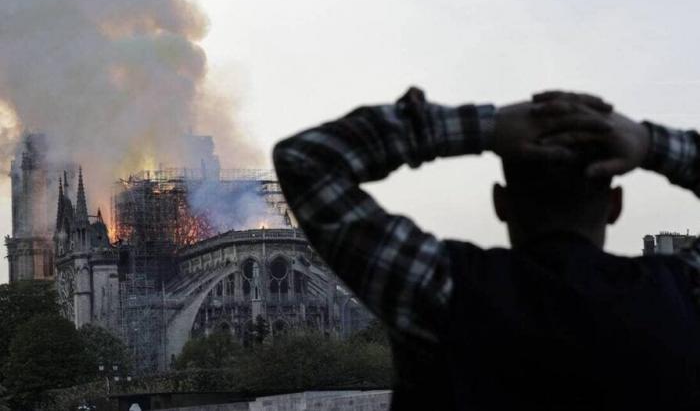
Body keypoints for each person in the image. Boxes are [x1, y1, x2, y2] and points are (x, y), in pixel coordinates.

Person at [272, 87, 700, 409]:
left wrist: (486, 128)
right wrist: (649, 144)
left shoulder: (441, 289)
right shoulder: (680, 297)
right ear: (615, 205)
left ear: (500, 202)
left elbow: (307, 159)